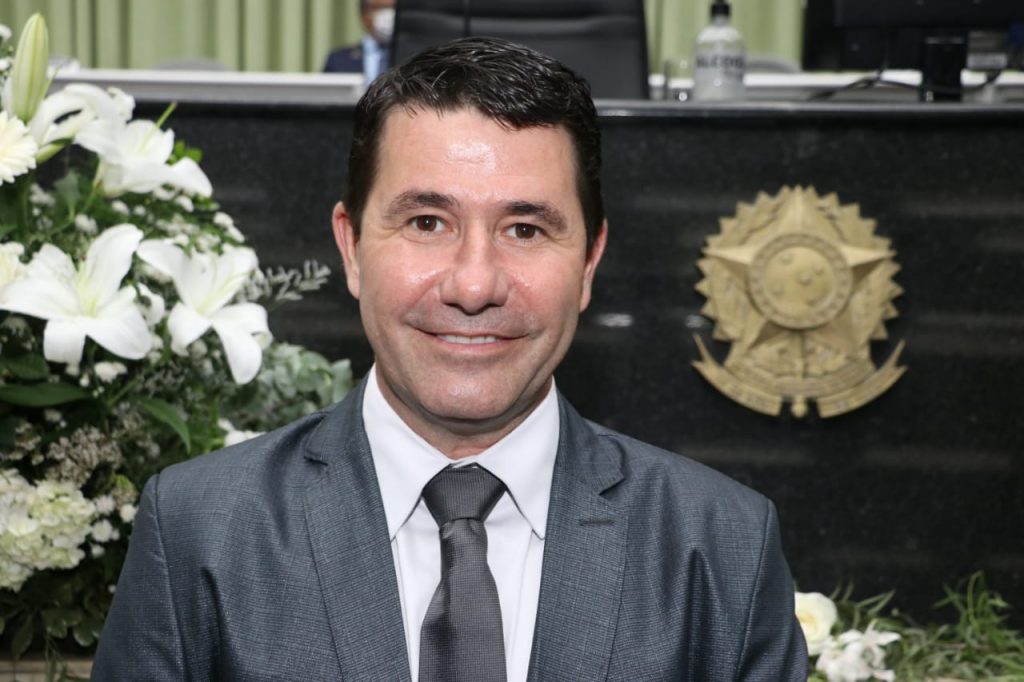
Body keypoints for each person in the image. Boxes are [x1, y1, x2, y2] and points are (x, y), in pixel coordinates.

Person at [92, 37, 808, 681]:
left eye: (525, 230)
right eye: (427, 222)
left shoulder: (721, 548)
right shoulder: (198, 530)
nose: (473, 285)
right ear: (351, 247)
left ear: (589, 262)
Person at [323, 0, 394, 83]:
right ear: (364, 15)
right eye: (382, 8)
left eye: (393, 8)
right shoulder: (337, 60)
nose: (390, 15)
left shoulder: (407, 56)